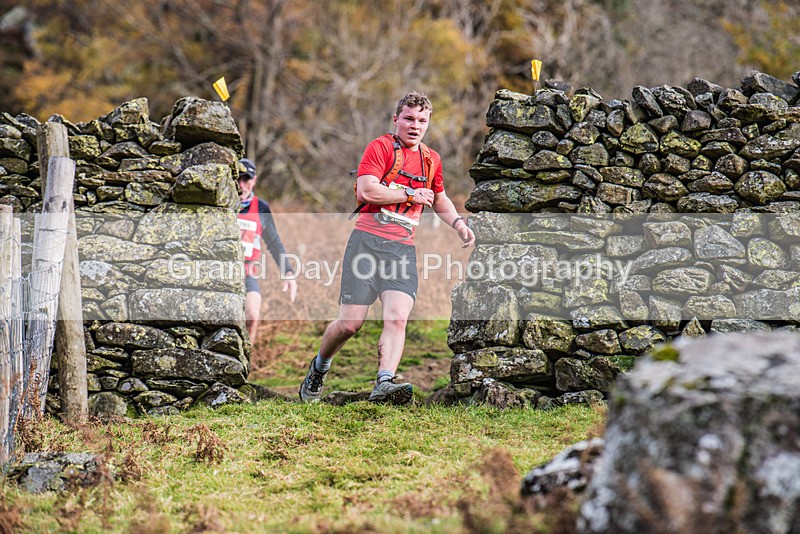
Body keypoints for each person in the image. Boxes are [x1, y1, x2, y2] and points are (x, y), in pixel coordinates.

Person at [299, 92, 475, 405]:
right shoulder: (380, 147)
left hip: (402, 249)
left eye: (422, 120)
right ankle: (319, 366)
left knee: (397, 318)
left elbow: (439, 198)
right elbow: (367, 190)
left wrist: (459, 224)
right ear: (396, 119)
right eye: (409, 118)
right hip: (366, 243)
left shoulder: (431, 159)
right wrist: (408, 193)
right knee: (350, 324)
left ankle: (384, 382)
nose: (415, 125)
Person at [237, 157, 298, 343]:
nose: (241, 185)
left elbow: (274, 241)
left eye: (246, 180)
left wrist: (288, 272)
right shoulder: (222, 205)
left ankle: (245, 363)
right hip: (220, 271)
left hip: (248, 272)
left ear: (254, 181)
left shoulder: (261, 208)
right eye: (237, 179)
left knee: (253, 315)